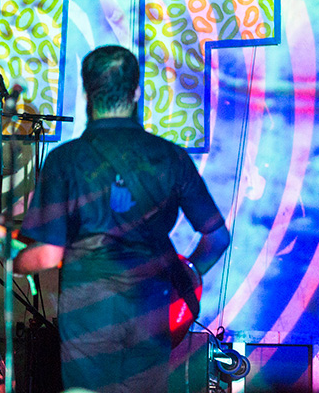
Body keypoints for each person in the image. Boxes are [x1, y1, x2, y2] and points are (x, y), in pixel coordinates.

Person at [14, 45, 230, 393]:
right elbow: (218, 238)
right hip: (151, 304)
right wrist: (187, 274)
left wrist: (15, 262)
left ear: (87, 92)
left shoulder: (64, 160)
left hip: (88, 309)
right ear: (136, 92)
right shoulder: (171, 157)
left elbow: (49, 256)